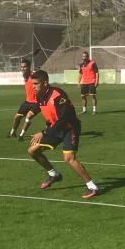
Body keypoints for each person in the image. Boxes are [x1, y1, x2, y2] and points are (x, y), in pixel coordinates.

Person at [26, 69, 100, 199]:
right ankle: (54, 174)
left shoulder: (58, 95)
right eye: (33, 84)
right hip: (55, 128)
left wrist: (43, 132)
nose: (34, 87)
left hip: (69, 128)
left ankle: (92, 186)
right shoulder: (40, 95)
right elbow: (40, 105)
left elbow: (64, 119)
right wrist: (32, 113)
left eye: (36, 84)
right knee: (32, 150)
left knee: (69, 158)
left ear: (45, 83)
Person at [9, 58, 40, 140]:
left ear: (29, 67)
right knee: (17, 117)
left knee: (28, 116)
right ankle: (12, 132)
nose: (22, 68)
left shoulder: (34, 75)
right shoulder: (25, 75)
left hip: (37, 102)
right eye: (21, 67)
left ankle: (21, 135)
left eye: (25, 67)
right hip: (27, 101)